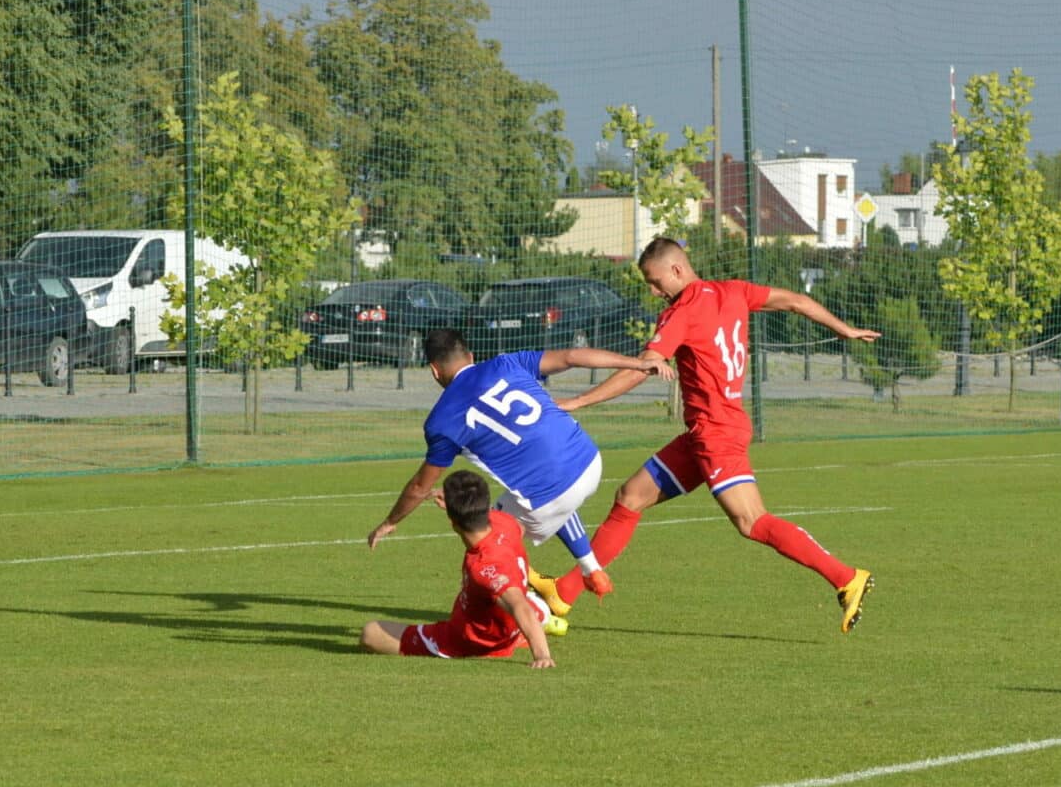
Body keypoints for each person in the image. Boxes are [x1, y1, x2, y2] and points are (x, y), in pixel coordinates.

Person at [550, 237, 879, 633]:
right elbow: (795, 301)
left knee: (752, 521)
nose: (653, 292)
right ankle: (564, 592)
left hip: (716, 434)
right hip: (709, 430)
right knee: (630, 497)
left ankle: (846, 578)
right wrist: (843, 329)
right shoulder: (733, 291)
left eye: (655, 282)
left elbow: (643, 367)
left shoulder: (681, 312)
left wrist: (580, 401)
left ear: (676, 270)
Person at [368, 329, 670, 614]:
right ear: (471, 356)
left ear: (434, 370)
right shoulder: (507, 363)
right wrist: (638, 363)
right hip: (589, 461)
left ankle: (539, 613)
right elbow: (572, 356)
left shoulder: (441, 420)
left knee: (482, 536)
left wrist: (389, 522)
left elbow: (419, 487)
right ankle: (590, 568)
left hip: (548, 495)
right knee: (540, 490)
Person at [360, 470, 558, 668]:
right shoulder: (504, 521)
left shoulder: (486, 567)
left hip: (474, 640)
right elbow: (517, 530)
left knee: (370, 634)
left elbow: (518, 606)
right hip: (508, 612)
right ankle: (534, 620)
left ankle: (520, 634)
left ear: (453, 523)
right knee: (524, 604)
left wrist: (542, 655)